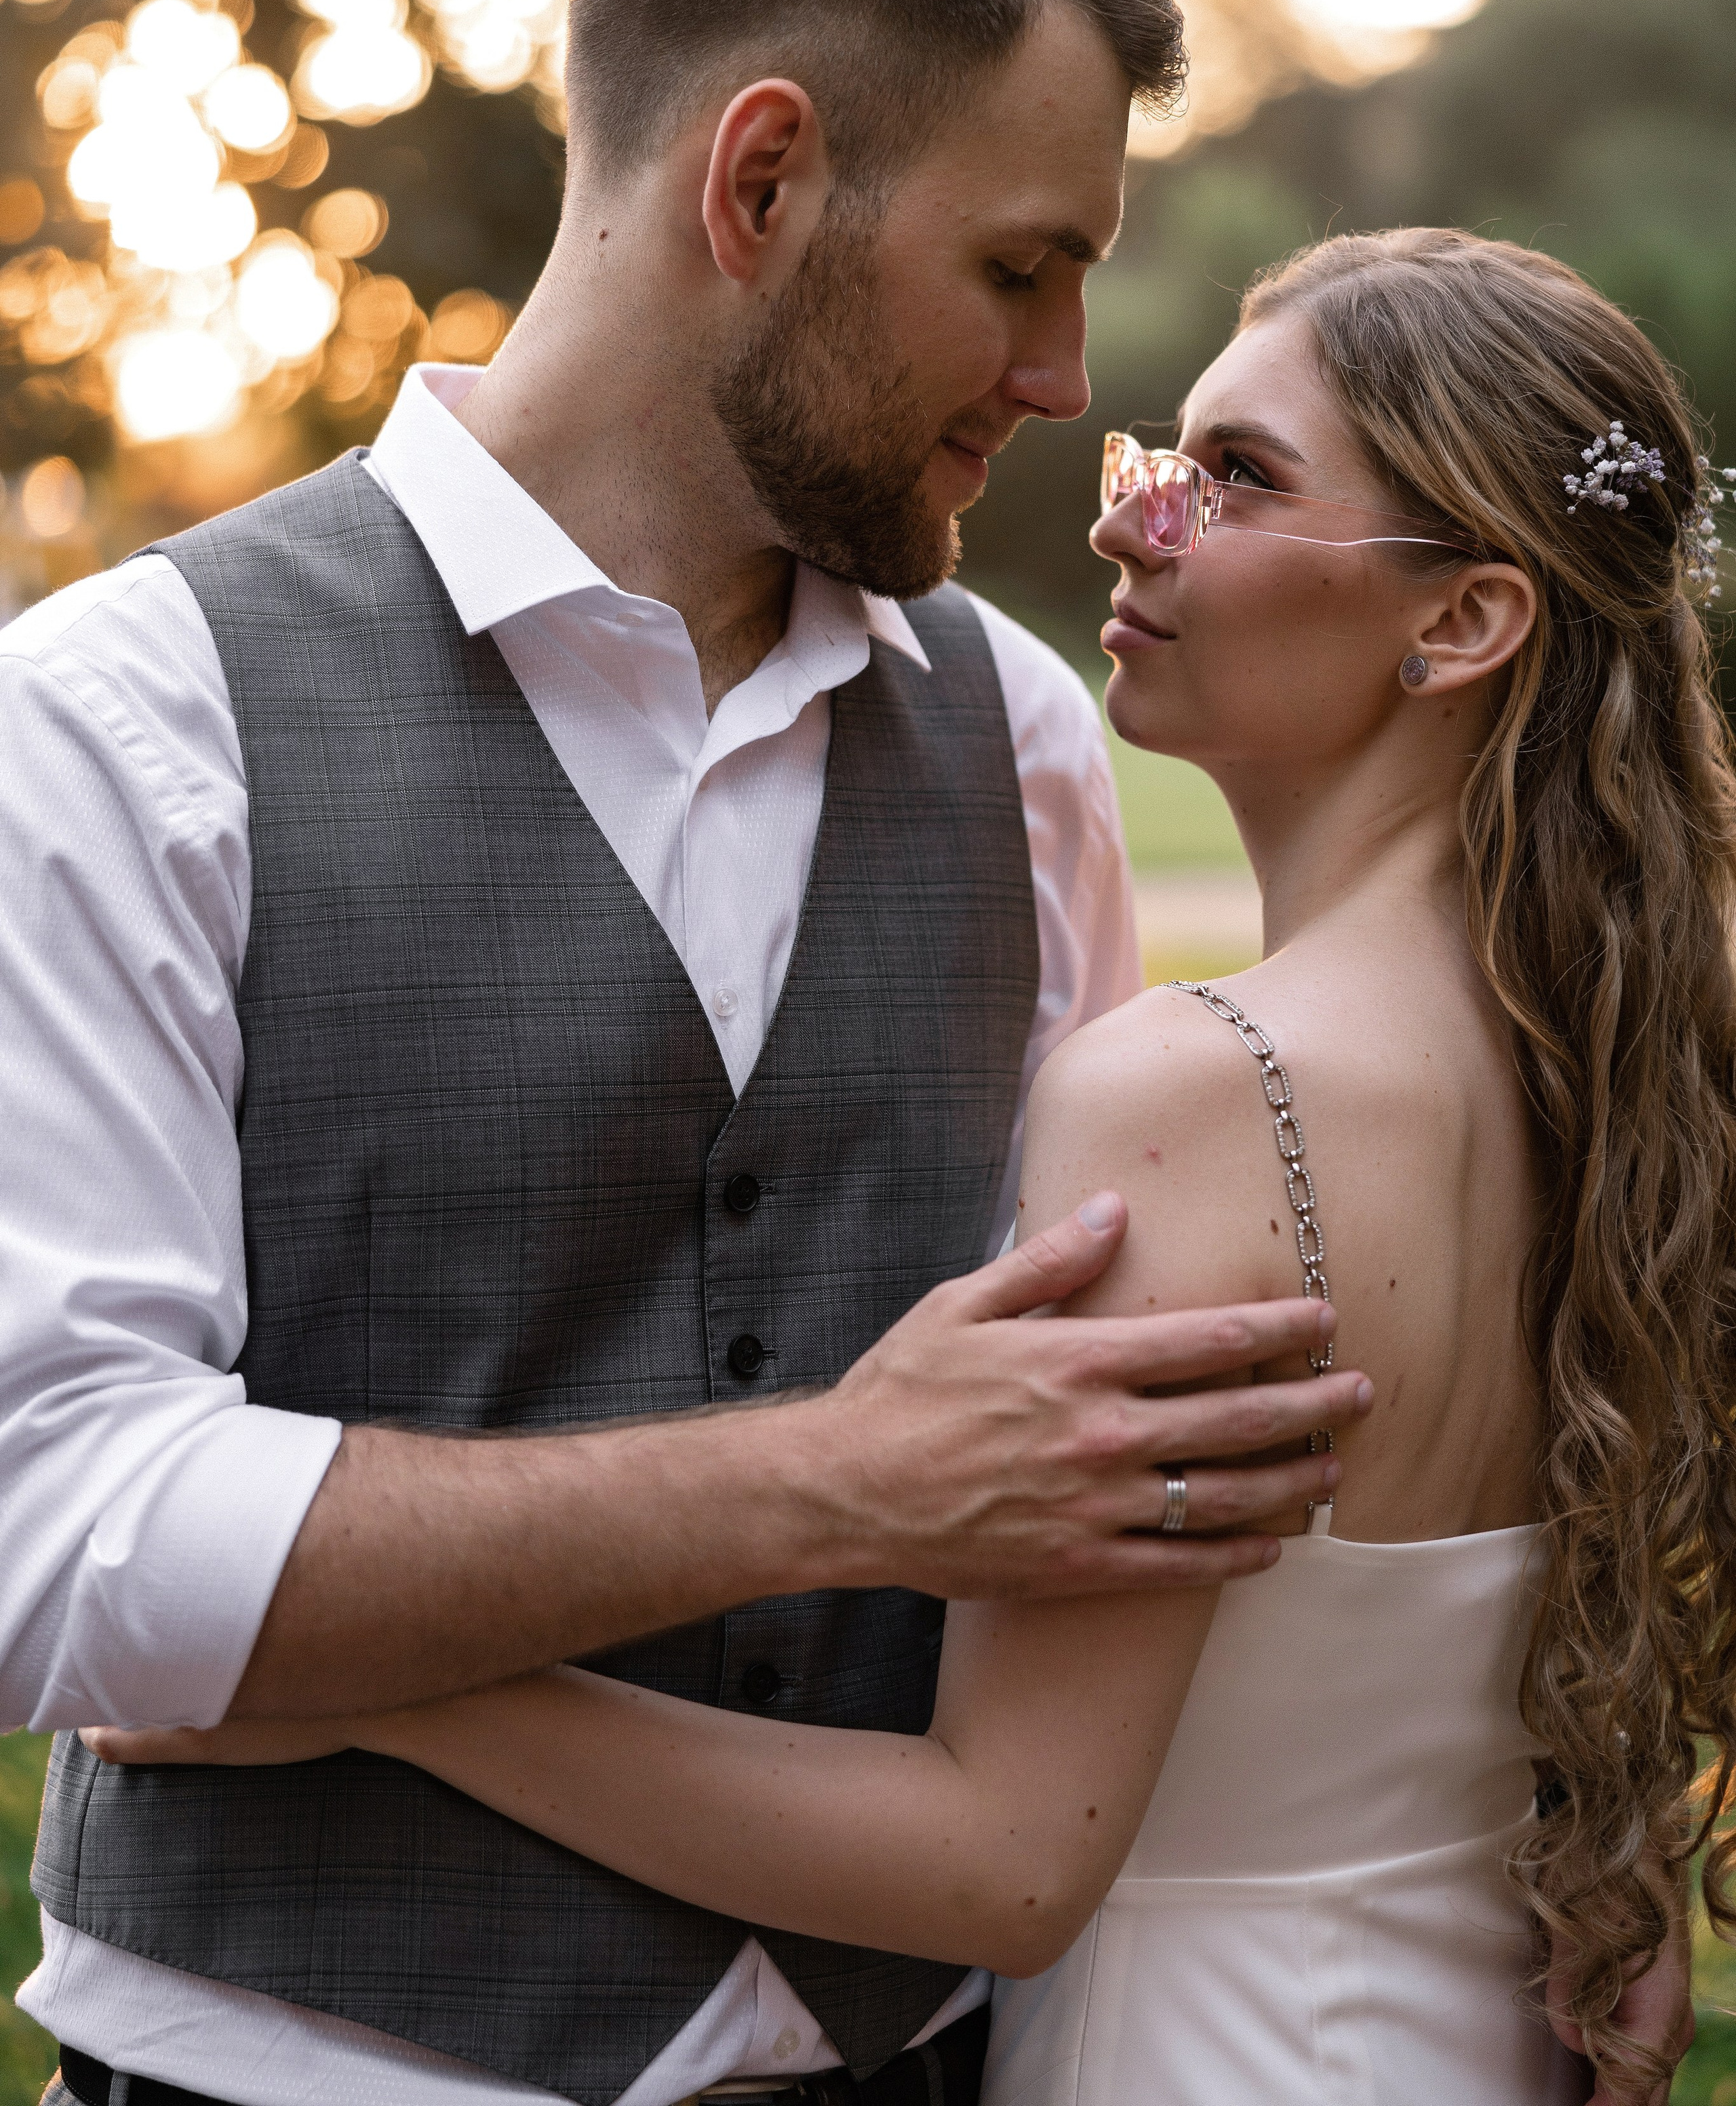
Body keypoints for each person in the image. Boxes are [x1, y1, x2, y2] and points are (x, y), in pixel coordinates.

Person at [1, 0, 1377, 2106]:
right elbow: (51, 1536)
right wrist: (839, 1477)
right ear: (763, 186)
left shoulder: (1026, 741)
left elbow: (1104, 1487)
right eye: (1019, 268)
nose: (1064, 375)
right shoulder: (124, 721)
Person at [95, 230, 1732, 2105]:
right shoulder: (1618, 1062)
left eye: (1238, 479)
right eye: (1162, 457)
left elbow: (1002, 1862)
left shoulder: (1200, 1093)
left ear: (1466, 619)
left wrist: (379, 1683)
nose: (1128, 523)